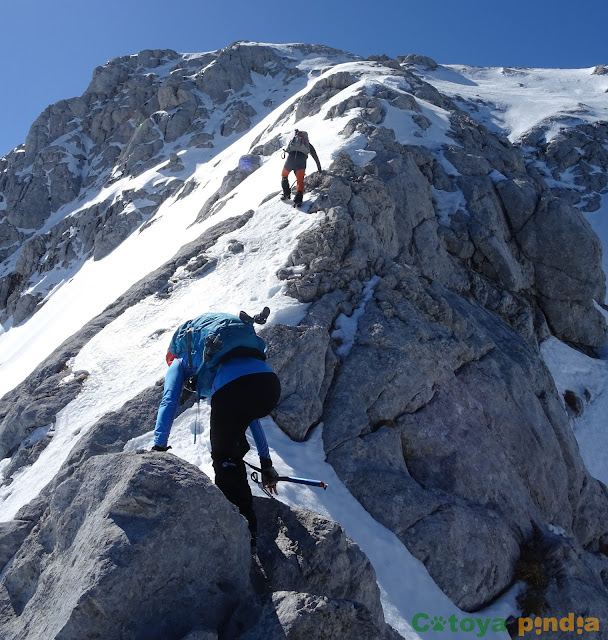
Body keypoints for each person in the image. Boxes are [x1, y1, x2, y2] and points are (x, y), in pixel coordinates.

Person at [152, 311, 281, 550]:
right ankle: (239, 465)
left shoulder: (179, 360)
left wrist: (159, 445)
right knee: (231, 436)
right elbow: (249, 413)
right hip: (270, 385)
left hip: (234, 390)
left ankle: (243, 536)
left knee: (225, 458)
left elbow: (169, 399)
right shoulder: (223, 355)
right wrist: (266, 462)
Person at [281, 129, 322, 207]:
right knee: (300, 181)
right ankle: (298, 201)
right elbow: (315, 156)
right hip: (301, 162)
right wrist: (319, 168)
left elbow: (288, 150)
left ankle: (286, 194)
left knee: (284, 175)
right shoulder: (307, 145)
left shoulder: (293, 141)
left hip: (290, 160)